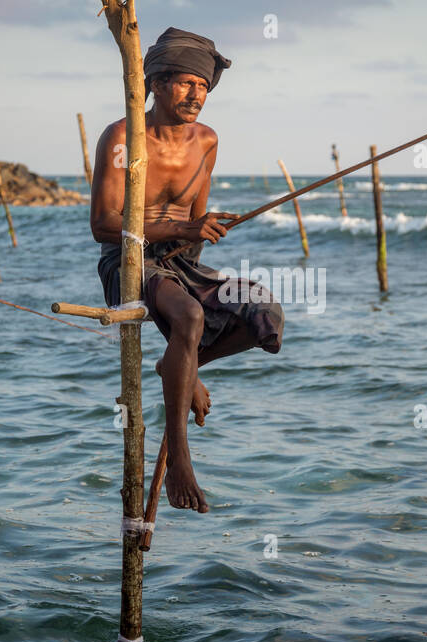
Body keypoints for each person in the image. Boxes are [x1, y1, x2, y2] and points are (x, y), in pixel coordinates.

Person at [90, 28, 284, 514]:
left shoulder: (208, 141)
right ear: (155, 83)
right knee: (190, 320)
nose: (197, 95)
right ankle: (180, 455)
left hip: (182, 263)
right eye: (185, 83)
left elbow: (194, 223)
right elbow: (103, 224)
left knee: (265, 313)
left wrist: (204, 228)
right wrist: (183, 226)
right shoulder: (121, 137)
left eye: (203, 86)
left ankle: (179, 365)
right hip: (130, 260)